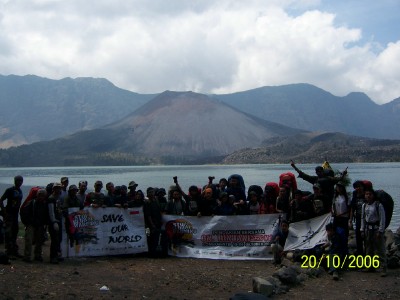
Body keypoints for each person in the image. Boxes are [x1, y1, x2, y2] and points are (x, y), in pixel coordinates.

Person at [360, 188, 387, 276]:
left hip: (376, 229)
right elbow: (363, 218)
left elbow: (382, 219)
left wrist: (380, 231)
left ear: (373, 195)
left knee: (380, 249)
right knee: (368, 248)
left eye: (370, 194)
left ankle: (383, 268)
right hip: (368, 229)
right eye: (366, 194)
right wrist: (362, 229)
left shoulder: (378, 205)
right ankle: (370, 266)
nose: (368, 196)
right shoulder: (364, 205)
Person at [21, 189, 48, 262]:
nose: (41, 197)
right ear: (37, 195)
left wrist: (45, 224)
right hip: (31, 224)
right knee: (29, 240)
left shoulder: (45, 204)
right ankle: (27, 256)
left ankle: (38, 255)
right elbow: (24, 213)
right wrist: (27, 223)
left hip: (40, 225)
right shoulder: (31, 203)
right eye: (40, 195)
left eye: (43, 195)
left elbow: (46, 215)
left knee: (39, 241)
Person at [0, 175, 24, 258]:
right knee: (8, 232)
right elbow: (1, 200)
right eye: (18, 180)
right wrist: (4, 212)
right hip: (9, 214)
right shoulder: (10, 190)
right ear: (14, 181)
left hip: (15, 214)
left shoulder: (20, 190)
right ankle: (8, 252)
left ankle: (14, 250)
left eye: (21, 181)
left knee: (15, 232)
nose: (19, 182)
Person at [349, 180, 367, 255]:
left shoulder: (366, 194)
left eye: (359, 186)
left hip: (367, 219)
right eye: (356, 187)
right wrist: (350, 220)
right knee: (358, 235)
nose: (358, 188)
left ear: (363, 187)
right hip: (358, 218)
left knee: (366, 235)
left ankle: (367, 252)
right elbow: (352, 208)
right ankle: (360, 252)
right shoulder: (355, 195)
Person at [332, 182, 351, 250]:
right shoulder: (335, 196)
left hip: (344, 217)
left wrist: (341, 214)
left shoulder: (346, 197)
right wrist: (334, 212)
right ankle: (336, 247)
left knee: (344, 233)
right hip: (336, 217)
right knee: (335, 232)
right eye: (337, 188)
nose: (338, 189)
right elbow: (333, 206)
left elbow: (349, 209)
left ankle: (344, 247)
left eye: (340, 187)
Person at [48, 182, 63, 264]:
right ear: (53, 189)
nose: (58, 189)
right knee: (54, 239)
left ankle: (57, 254)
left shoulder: (59, 197)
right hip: (54, 222)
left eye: (59, 188)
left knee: (59, 239)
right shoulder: (51, 198)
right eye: (56, 188)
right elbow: (51, 211)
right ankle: (53, 257)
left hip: (59, 220)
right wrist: (53, 221)